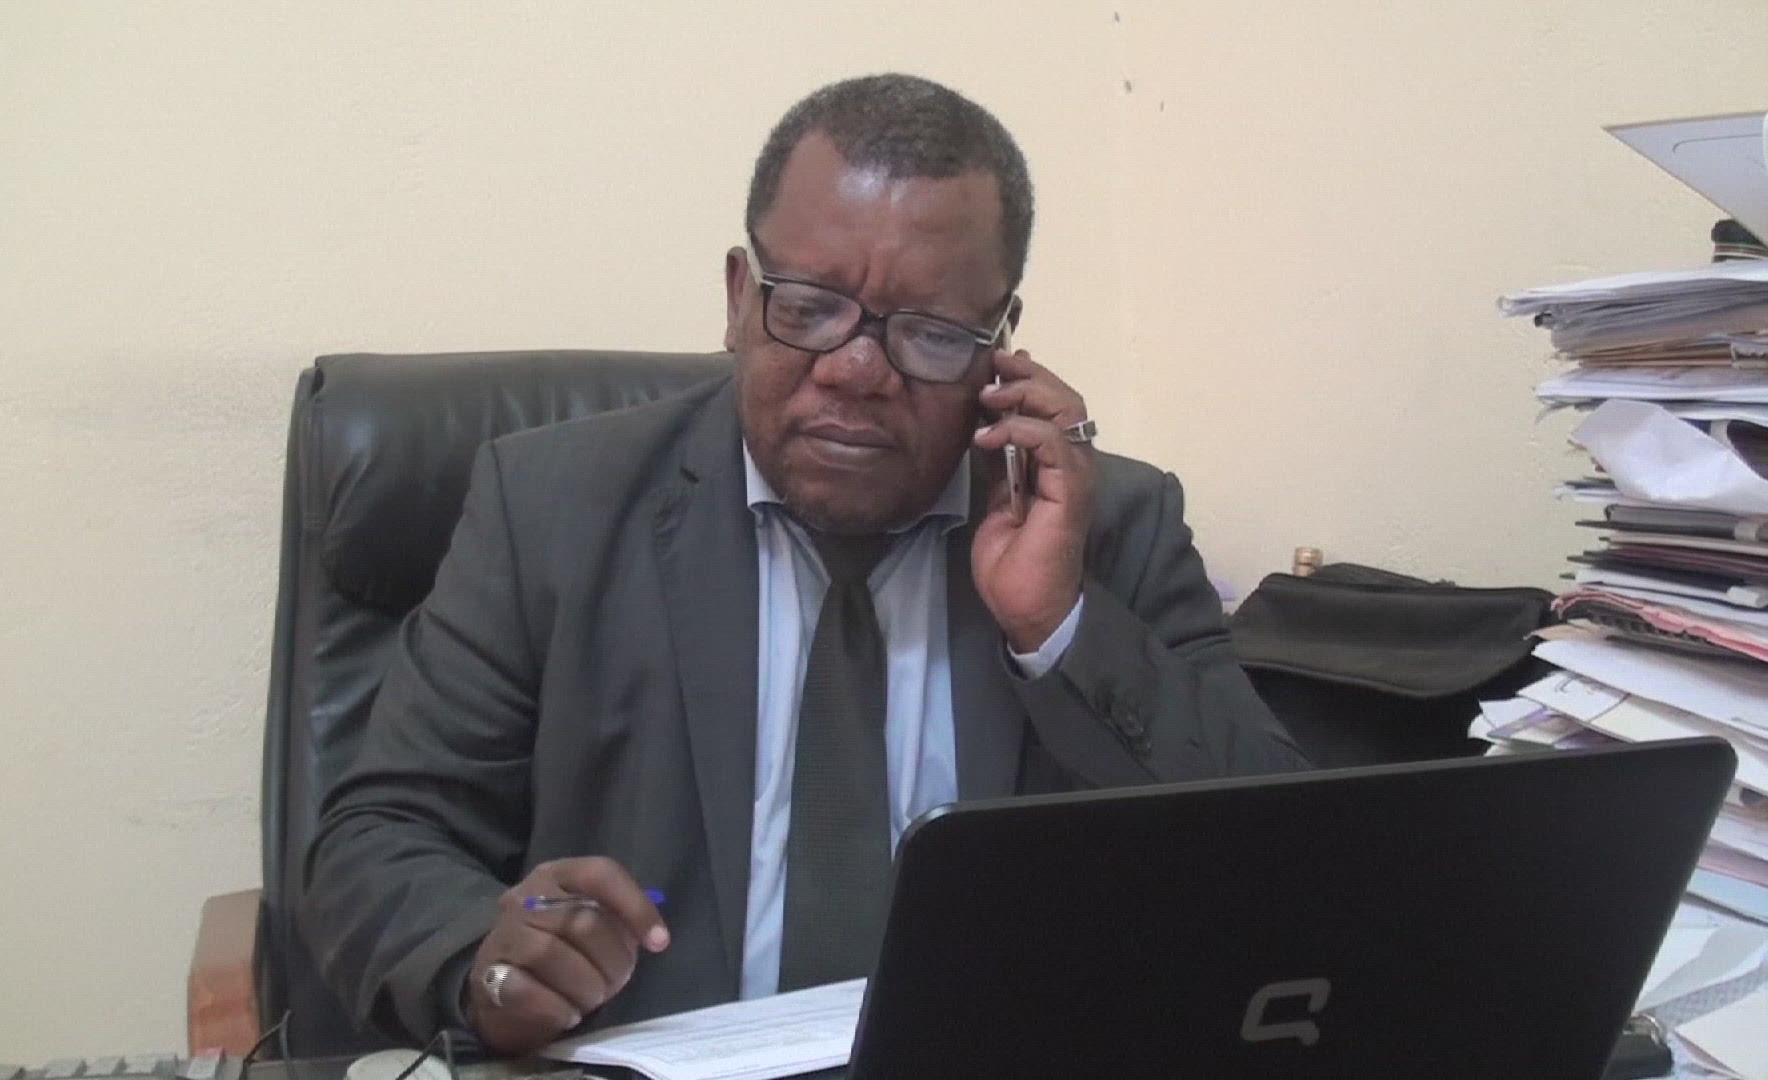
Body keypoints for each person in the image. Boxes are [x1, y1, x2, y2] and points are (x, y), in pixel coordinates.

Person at [301, 73, 1305, 1057]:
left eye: (931, 333)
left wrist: (1060, 627)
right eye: (812, 308)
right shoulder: (552, 510)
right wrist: (488, 963)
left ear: (1000, 344)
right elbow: (379, 839)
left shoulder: (1102, 524)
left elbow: (1287, 866)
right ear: (741, 297)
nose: (857, 371)